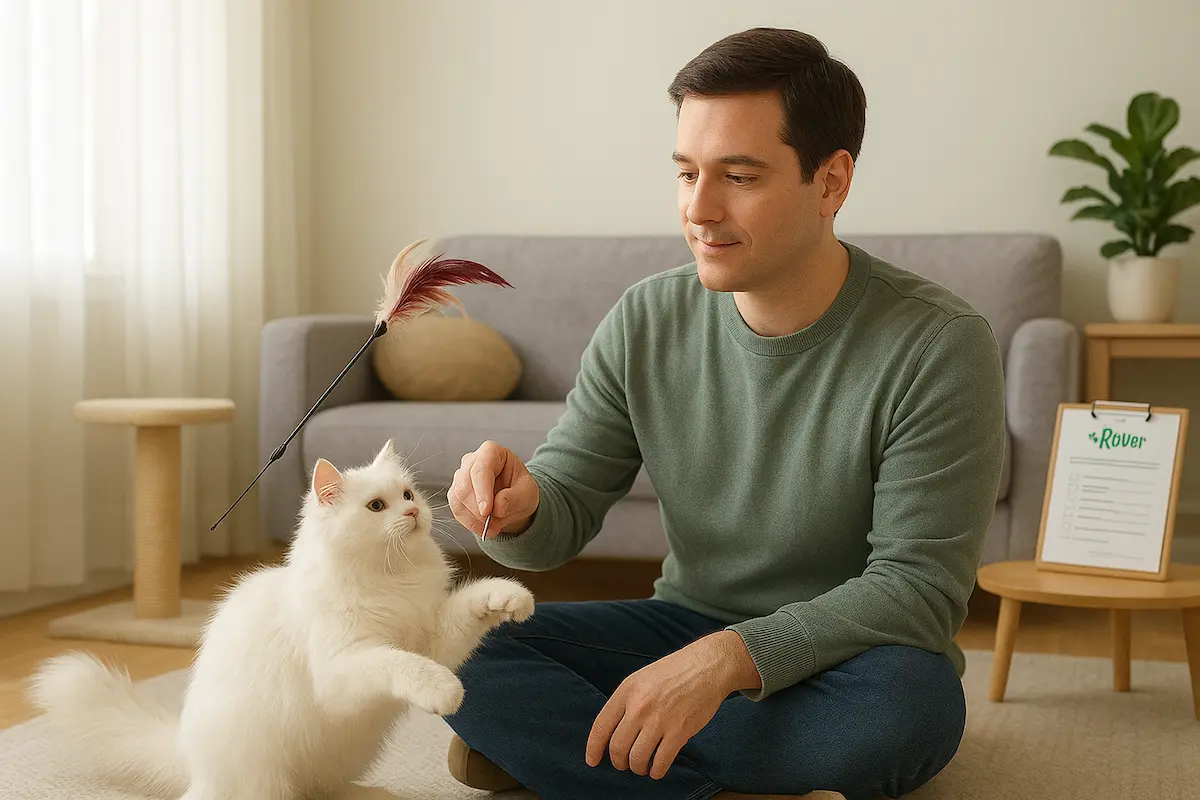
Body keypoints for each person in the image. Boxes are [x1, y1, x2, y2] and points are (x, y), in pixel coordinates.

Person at [441, 26, 1006, 800]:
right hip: (681, 627)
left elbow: (918, 590)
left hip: (851, 656)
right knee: (457, 642)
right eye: (685, 173)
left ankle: (573, 755)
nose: (699, 210)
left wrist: (725, 661)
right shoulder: (645, 319)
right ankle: (697, 772)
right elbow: (561, 514)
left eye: (739, 176)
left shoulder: (939, 344)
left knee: (910, 711)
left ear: (832, 182)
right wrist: (518, 508)